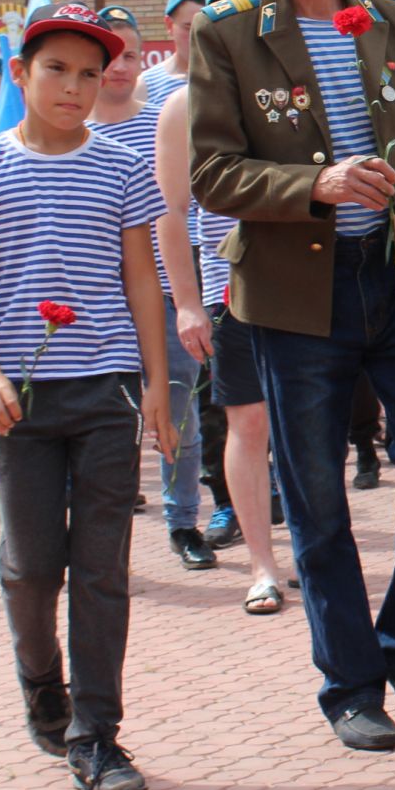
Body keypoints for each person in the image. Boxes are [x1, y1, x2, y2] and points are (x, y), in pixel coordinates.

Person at [188, 0, 395, 753]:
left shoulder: (392, 16)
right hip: (295, 295)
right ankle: (350, 682)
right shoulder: (228, 32)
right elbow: (212, 174)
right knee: (316, 494)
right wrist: (316, 185)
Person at [0, 1, 173, 790]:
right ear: (20, 74)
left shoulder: (119, 163)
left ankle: (97, 734)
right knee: (34, 567)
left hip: (105, 389)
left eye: (88, 73)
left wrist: (157, 389)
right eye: (56, 70)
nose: (74, 87)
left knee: (101, 567)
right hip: (20, 399)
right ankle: (42, 679)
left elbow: (143, 279)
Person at [86, 13, 217, 570]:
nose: (119, 68)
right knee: (102, 421)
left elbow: (181, 210)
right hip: (95, 301)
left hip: (164, 292)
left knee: (178, 412)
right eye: (108, 58)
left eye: (131, 56)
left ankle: (182, 519)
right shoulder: (73, 135)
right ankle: (96, 538)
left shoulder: (164, 122)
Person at [156, 82, 286, 614]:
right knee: (248, 423)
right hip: (231, 289)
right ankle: (263, 566)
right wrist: (187, 303)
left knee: (307, 425)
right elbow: (170, 211)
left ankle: (317, 555)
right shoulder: (186, 103)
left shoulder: (294, 78)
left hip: (313, 282)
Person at [137, 0, 213, 108]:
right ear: (170, 25)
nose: (198, 37)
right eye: (188, 28)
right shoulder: (146, 87)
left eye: (208, 28)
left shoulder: (235, 78)